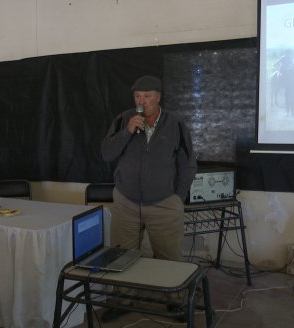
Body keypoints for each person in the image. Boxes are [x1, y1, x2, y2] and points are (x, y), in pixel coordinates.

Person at [100, 75, 197, 321]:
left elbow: (188, 164)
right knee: (122, 254)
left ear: (158, 97)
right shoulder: (124, 120)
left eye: (147, 96)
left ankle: (175, 301)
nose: (141, 101)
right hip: (126, 201)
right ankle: (122, 300)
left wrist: (179, 196)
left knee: (169, 256)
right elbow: (107, 154)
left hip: (164, 203)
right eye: (137, 96)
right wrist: (127, 132)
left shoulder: (175, 123)